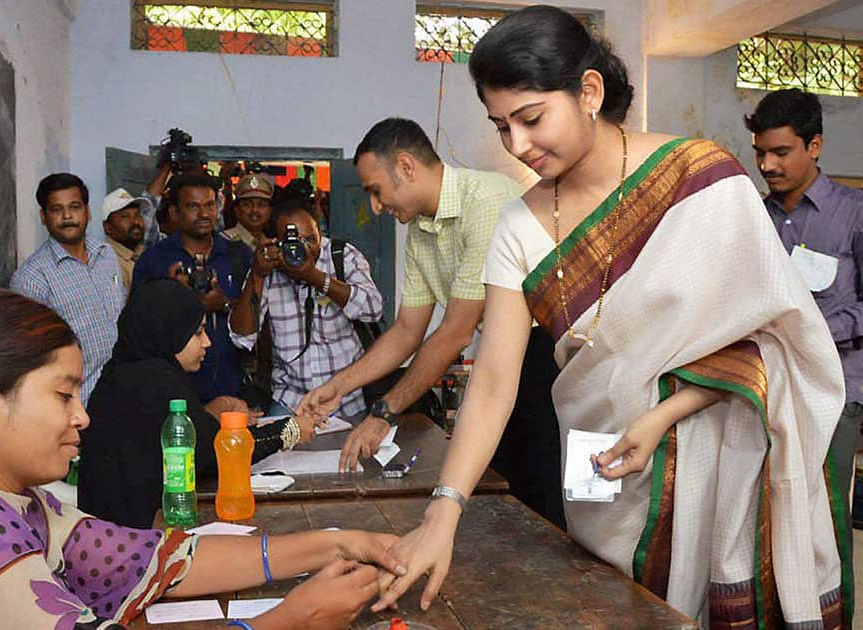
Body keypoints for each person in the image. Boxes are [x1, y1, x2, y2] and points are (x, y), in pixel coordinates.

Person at [371, 6, 849, 628]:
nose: (517, 145)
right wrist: (444, 510)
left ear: (589, 92)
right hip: (607, 485)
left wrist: (665, 413)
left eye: (531, 118)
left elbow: (781, 339)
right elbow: (493, 381)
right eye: (501, 126)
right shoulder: (517, 226)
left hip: (719, 462)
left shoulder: (701, 180)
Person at [0, 288, 405, 628]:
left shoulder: (15, 505)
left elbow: (162, 559)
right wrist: (293, 618)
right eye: (62, 395)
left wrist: (337, 541)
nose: (83, 417)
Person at [297, 118, 524, 472]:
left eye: (376, 190)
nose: (375, 207)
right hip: (504, 359)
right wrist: (338, 386)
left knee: (536, 494)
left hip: (549, 356)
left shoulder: (485, 203)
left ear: (406, 166)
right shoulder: (420, 230)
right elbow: (406, 330)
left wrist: (383, 411)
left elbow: (456, 331)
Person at [79, 279, 316, 528]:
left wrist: (210, 412)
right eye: (197, 332)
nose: (207, 342)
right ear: (169, 330)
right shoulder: (157, 383)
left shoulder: (122, 371)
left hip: (103, 532)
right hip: (135, 545)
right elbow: (217, 454)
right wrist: (289, 430)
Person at [746, 87, 863, 545]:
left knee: (825, 516)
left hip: (833, 389)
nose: (767, 165)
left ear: (814, 146)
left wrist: (812, 332)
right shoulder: (756, 216)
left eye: (781, 152)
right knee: (769, 512)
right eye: (759, 153)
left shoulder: (852, 214)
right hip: (767, 386)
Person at [230, 199, 383, 417]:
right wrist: (257, 274)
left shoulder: (341, 255)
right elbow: (241, 338)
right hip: (291, 400)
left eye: (311, 239)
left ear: (320, 231)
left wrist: (315, 277)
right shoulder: (268, 268)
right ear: (276, 242)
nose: (304, 248)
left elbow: (373, 307)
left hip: (347, 399)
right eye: (293, 241)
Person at [133, 172, 253, 403]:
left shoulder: (238, 255)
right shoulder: (154, 260)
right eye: (192, 206)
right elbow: (139, 327)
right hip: (170, 391)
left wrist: (223, 303)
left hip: (231, 386)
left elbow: (257, 320)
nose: (203, 214)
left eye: (209, 205)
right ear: (175, 213)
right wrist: (172, 297)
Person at [10, 172, 123, 406]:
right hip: (79, 404)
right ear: (43, 216)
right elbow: (32, 359)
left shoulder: (107, 255)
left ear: (88, 212)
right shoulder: (33, 277)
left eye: (75, 206)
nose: (68, 216)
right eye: (56, 209)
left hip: (124, 392)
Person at [101, 187, 152, 293]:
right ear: (108, 227)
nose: (136, 222)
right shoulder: (108, 262)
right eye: (125, 216)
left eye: (138, 215)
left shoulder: (144, 254)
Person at [224, 173, 275, 248]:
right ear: (237, 210)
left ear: (270, 211)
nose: (255, 210)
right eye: (247, 204)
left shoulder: (272, 245)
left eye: (261, 204)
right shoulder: (223, 241)